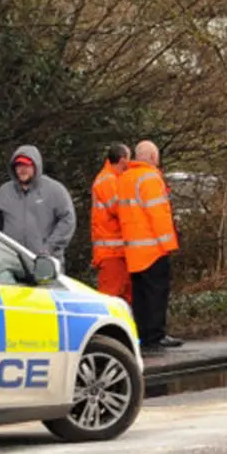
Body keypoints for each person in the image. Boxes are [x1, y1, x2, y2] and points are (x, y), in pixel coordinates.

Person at [117, 140, 182, 350]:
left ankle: (142, 334)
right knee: (156, 294)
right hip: (152, 249)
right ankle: (156, 335)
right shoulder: (150, 177)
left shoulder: (125, 178)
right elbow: (158, 215)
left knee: (140, 296)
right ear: (153, 158)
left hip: (133, 250)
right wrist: (168, 244)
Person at [0, 144, 76, 271]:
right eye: (19, 166)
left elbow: (68, 220)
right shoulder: (3, 192)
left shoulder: (55, 190)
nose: (22, 169)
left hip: (46, 264)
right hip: (12, 264)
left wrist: (48, 248)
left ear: (36, 166)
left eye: (27, 165)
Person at [90, 143, 132, 303]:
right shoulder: (108, 180)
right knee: (110, 299)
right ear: (122, 161)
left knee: (122, 297)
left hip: (116, 250)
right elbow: (120, 209)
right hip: (111, 252)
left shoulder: (111, 178)